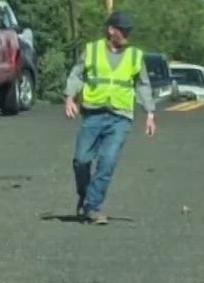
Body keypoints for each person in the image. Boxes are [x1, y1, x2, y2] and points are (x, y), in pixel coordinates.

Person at [62, 12, 156, 225]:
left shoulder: (135, 56)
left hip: (120, 117)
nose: (126, 34)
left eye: (128, 31)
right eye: (122, 30)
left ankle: (93, 207)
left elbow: (142, 84)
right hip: (93, 113)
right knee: (81, 160)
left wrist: (149, 113)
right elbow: (77, 74)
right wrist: (70, 97)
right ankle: (85, 198)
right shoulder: (92, 50)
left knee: (108, 161)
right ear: (111, 29)